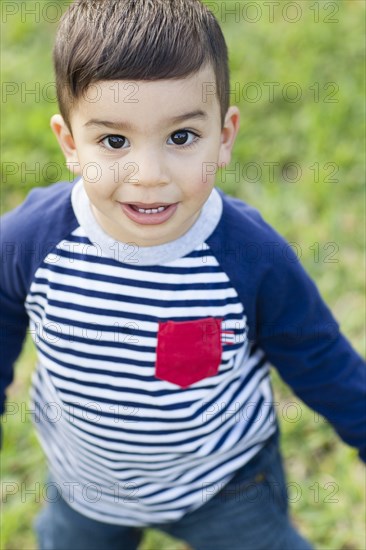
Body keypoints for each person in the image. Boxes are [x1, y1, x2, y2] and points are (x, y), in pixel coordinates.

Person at [1, 1, 365, 549]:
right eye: (114, 141)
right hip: (84, 485)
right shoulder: (30, 242)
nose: (148, 176)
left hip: (225, 486)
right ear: (71, 143)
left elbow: (317, 355)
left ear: (224, 135)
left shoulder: (250, 256)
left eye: (180, 138)